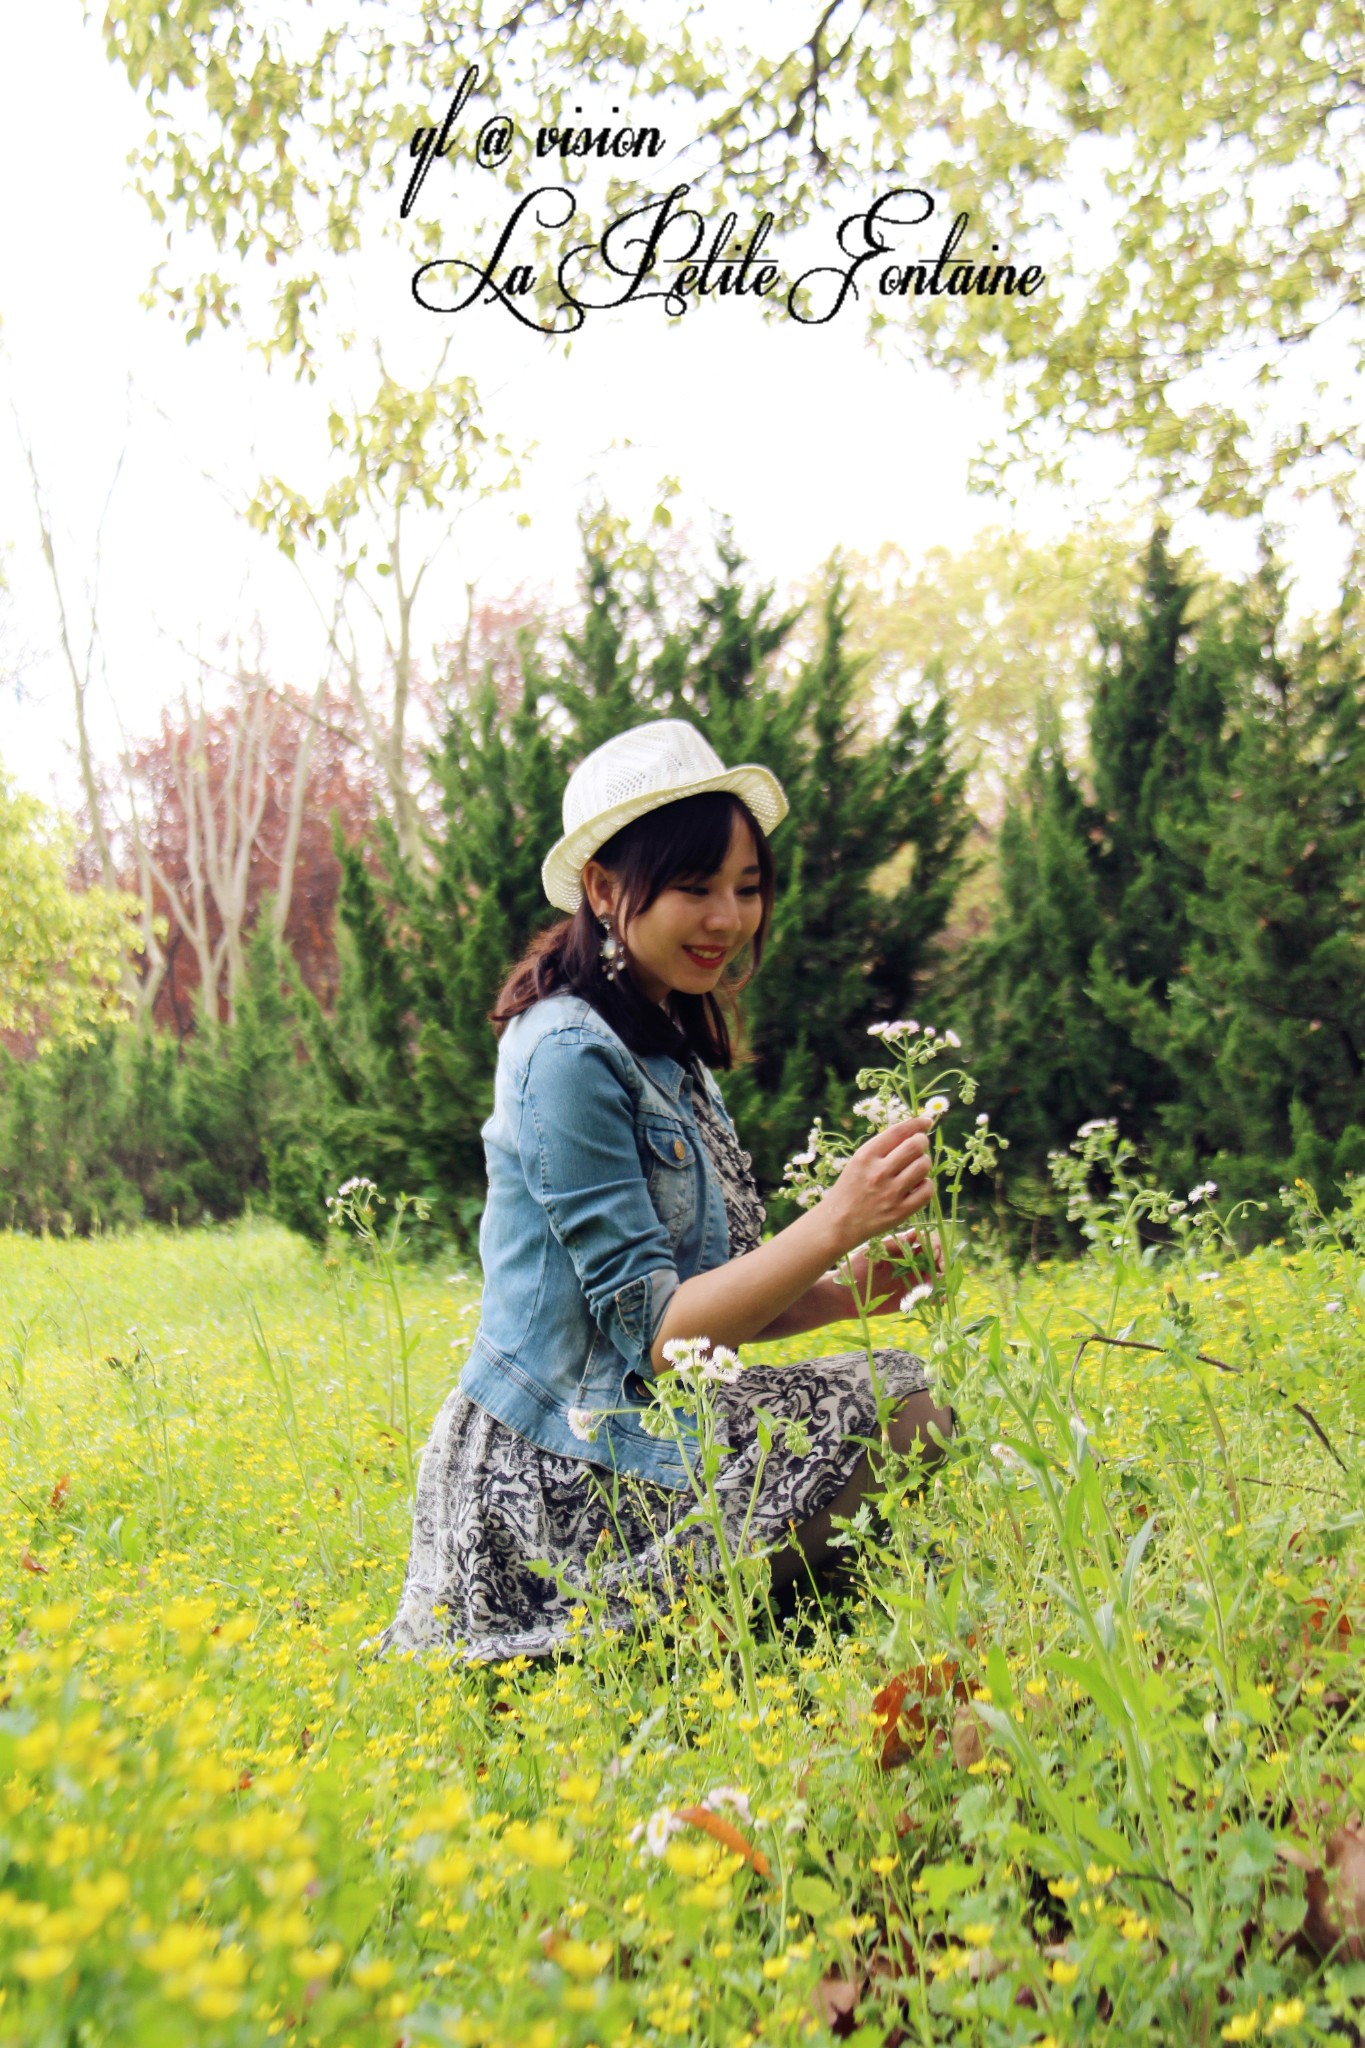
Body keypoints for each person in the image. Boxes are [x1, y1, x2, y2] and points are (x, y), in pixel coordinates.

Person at [375, 718, 953, 1662]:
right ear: (604, 889)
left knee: (910, 1393)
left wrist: (856, 1289)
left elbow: (711, 1310)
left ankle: (757, 1639)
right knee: (904, 1411)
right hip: (558, 1467)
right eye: (694, 888)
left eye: (747, 887)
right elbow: (664, 1336)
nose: (728, 918)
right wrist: (835, 1220)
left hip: (647, 1426)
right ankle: (665, 1641)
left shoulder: (660, 1042)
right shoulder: (565, 1053)